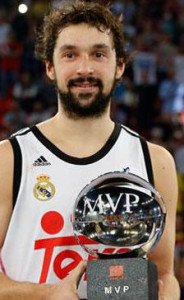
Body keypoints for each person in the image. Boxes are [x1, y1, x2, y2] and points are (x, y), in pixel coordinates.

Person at [0, 1, 180, 299]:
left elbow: (164, 275)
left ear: (119, 65)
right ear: (49, 67)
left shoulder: (155, 161)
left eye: (98, 54)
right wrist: (47, 294)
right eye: (70, 54)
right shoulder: (10, 159)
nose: (85, 68)